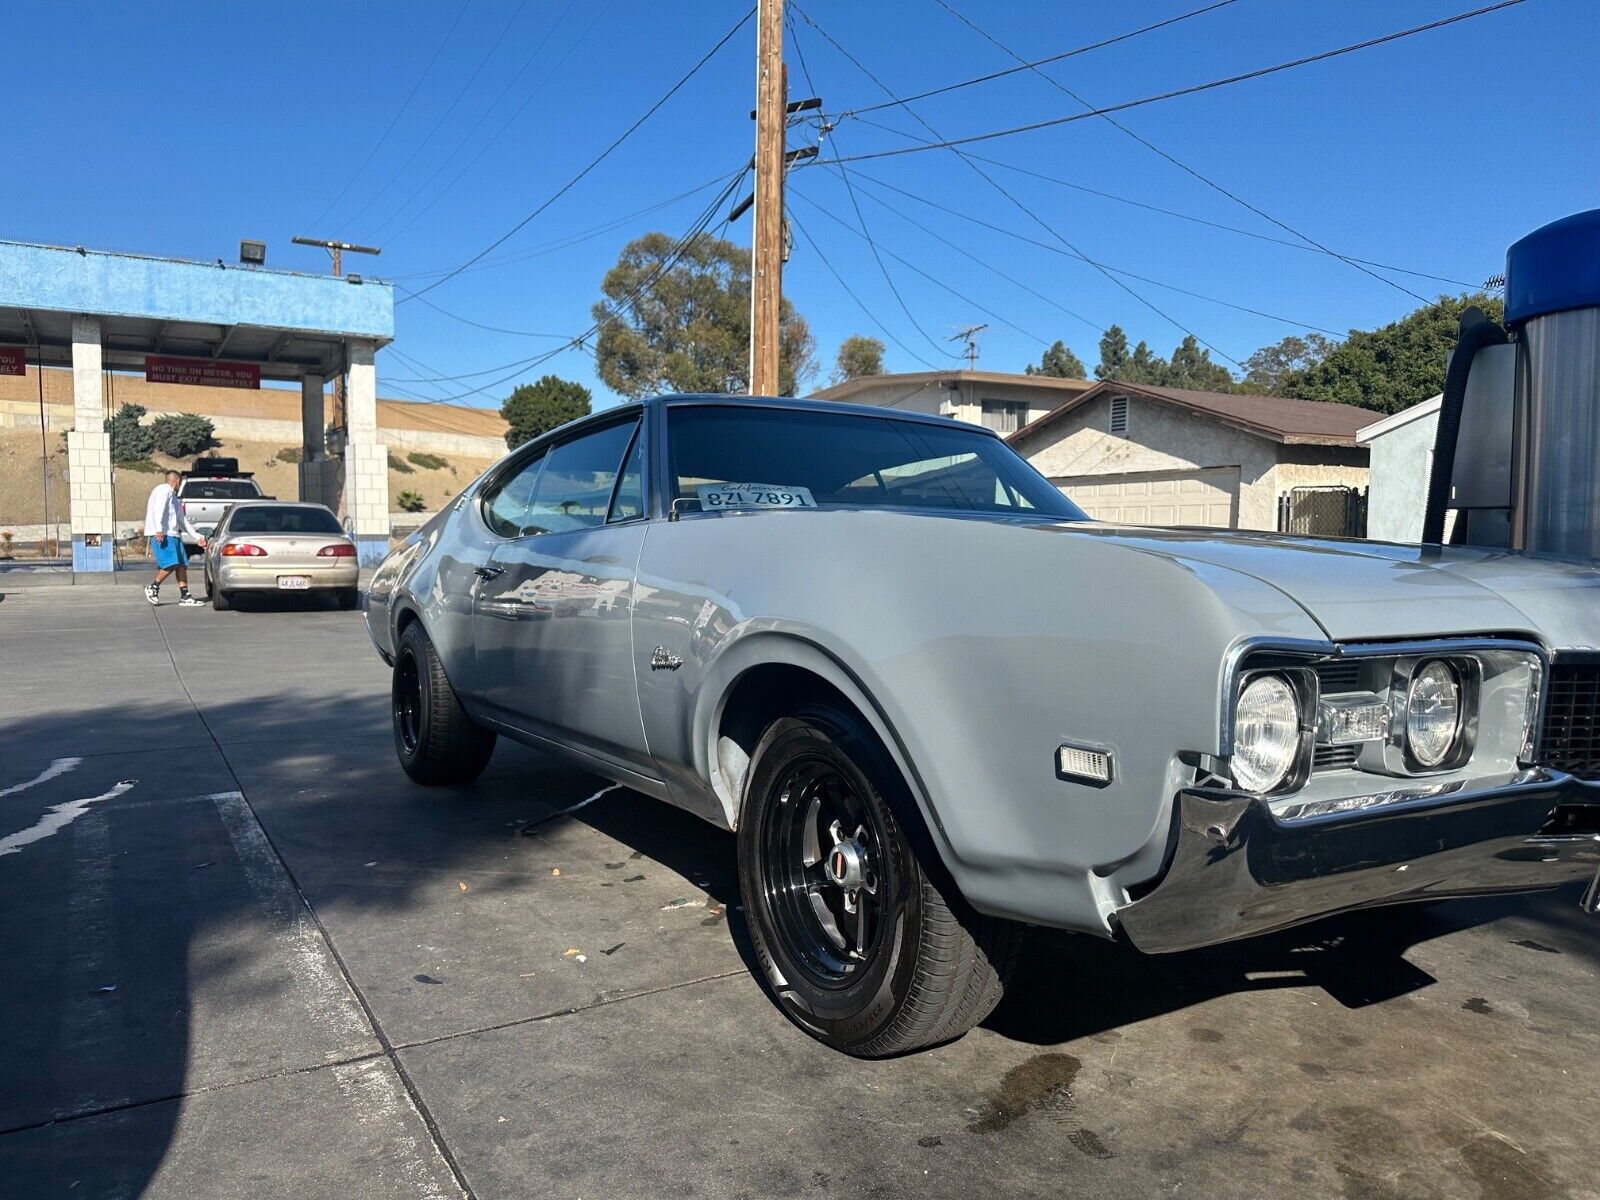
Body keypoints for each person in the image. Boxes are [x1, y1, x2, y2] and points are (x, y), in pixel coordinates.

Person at [143, 470, 205, 606]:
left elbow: (182, 519)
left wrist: (197, 537)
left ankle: (185, 596)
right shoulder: (163, 490)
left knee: (182, 565)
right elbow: (158, 510)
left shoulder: (174, 498)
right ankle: (153, 587)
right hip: (164, 534)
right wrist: (158, 529)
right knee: (171, 563)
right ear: (176, 481)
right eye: (180, 482)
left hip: (173, 534)